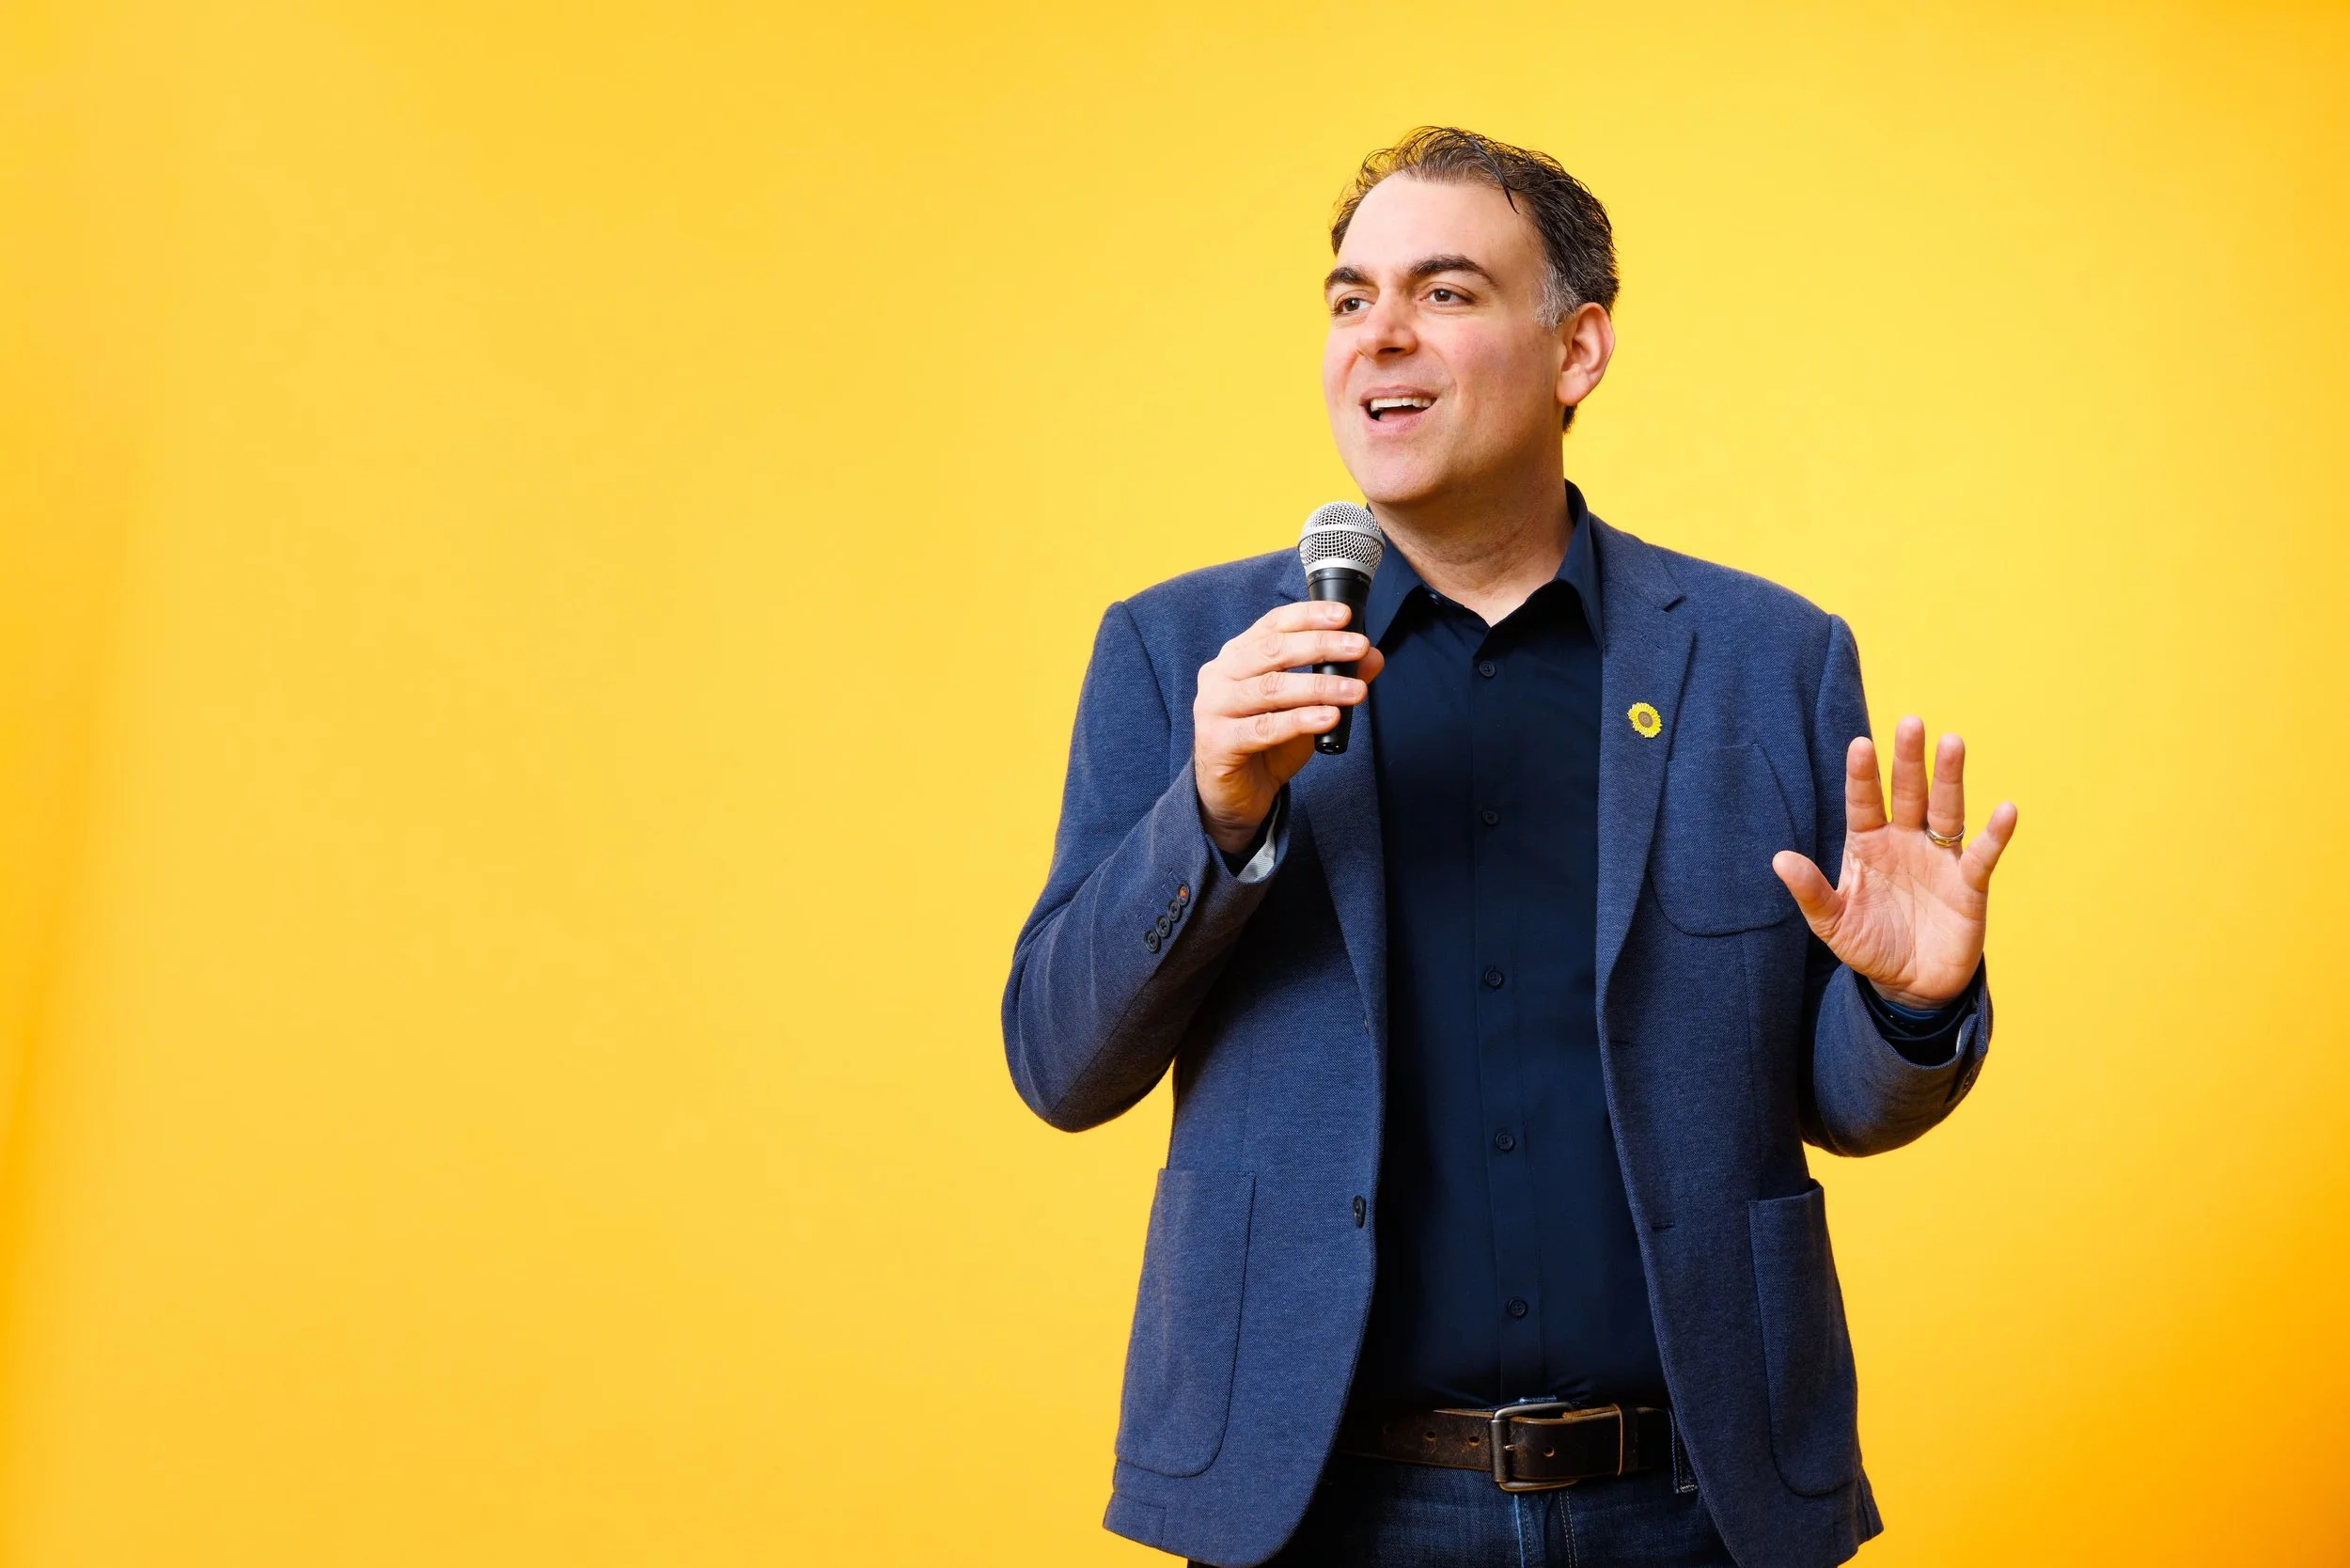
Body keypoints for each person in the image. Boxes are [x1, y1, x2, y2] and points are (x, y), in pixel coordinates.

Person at [1001, 126, 2017, 1568]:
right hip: (1324, 1509)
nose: (1380, 337)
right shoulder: (1187, 658)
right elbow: (1059, 1064)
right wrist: (1213, 817)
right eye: (1350, 298)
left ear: (1578, 350)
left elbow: (1838, 1107)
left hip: (1693, 1497)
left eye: (1447, 292)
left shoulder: (1767, 661)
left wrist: (1909, 1004)